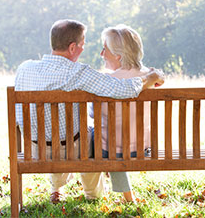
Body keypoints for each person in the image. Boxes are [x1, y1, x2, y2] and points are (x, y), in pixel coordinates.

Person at [14, 19, 164, 204]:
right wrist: (150, 76)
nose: (84, 49)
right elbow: (122, 89)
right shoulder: (78, 72)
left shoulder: (24, 68)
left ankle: (57, 190)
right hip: (72, 149)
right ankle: (93, 194)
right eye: (82, 45)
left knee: (60, 133)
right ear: (72, 48)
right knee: (90, 135)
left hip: (34, 149)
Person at [89, 24, 154, 202]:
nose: (102, 54)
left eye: (104, 49)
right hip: (143, 147)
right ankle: (127, 197)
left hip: (112, 149)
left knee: (97, 136)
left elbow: (93, 114)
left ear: (118, 55)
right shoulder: (150, 76)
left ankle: (91, 193)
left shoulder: (108, 81)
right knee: (114, 136)